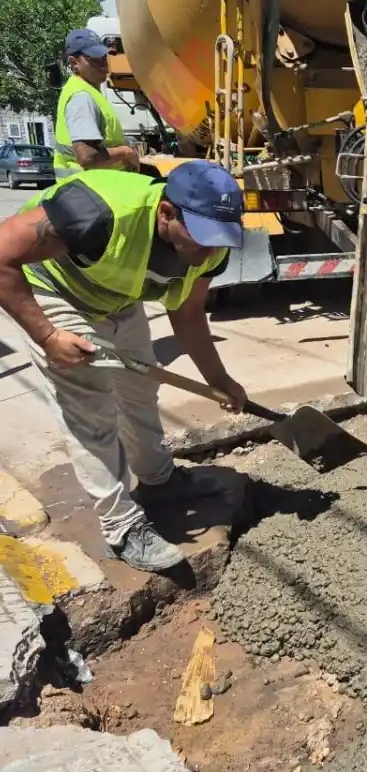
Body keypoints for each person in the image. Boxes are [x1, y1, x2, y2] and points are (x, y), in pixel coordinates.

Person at [0, 160, 248, 572]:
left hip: (116, 297)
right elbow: (2, 253)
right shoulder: (96, 213)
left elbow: (187, 312)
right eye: (202, 238)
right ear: (166, 212)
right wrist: (47, 336)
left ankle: (158, 479)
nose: (210, 251)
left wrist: (219, 379)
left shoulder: (212, 246)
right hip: (55, 290)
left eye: (220, 239)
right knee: (91, 410)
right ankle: (121, 527)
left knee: (140, 390)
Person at [53, 29, 139, 178]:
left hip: (93, 187)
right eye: (94, 59)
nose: (104, 66)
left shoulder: (87, 90)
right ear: (74, 62)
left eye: (104, 58)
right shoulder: (81, 97)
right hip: (91, 187)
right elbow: (87, 157)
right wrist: (126, 152)